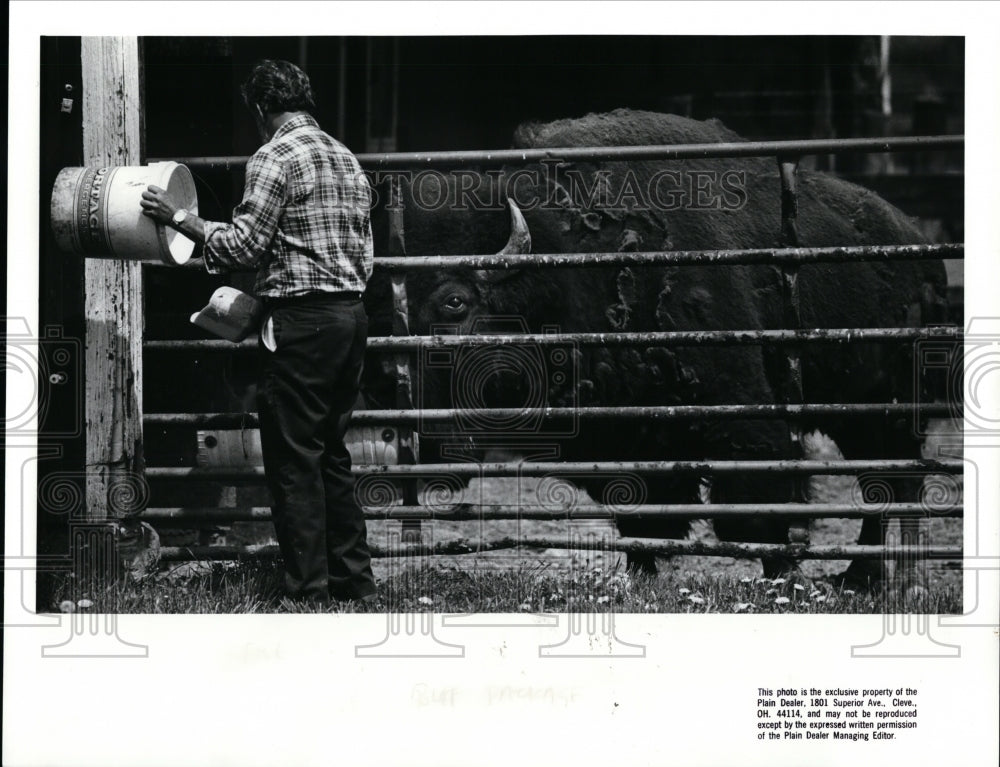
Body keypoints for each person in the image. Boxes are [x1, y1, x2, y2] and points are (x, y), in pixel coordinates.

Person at [141, 59, 376, 606]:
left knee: (293, 461)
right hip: (350, 317)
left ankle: (308, 592)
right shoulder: (345, 156)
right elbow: (365, 250)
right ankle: (355, 584)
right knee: (331, 455)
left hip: (302, 323)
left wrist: (182, 219)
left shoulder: (272, 157)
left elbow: (243, 246)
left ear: (259, 109)